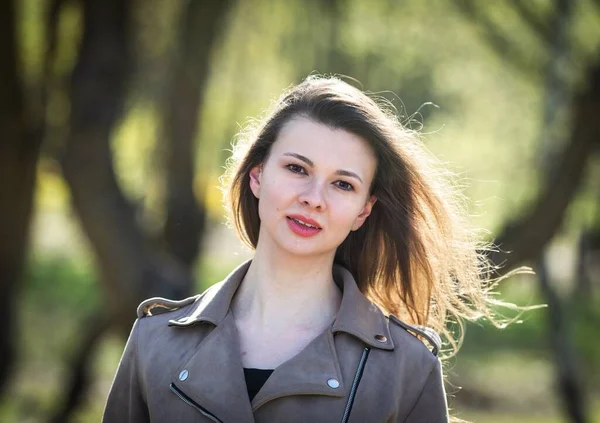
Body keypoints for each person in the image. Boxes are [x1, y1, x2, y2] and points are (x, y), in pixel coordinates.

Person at [103, 75, 508, 422]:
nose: (314, 198)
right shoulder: (154, 342)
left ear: (363, 211)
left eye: (342, 184)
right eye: (297, 169)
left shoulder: (408, 368)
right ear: (257, 176)